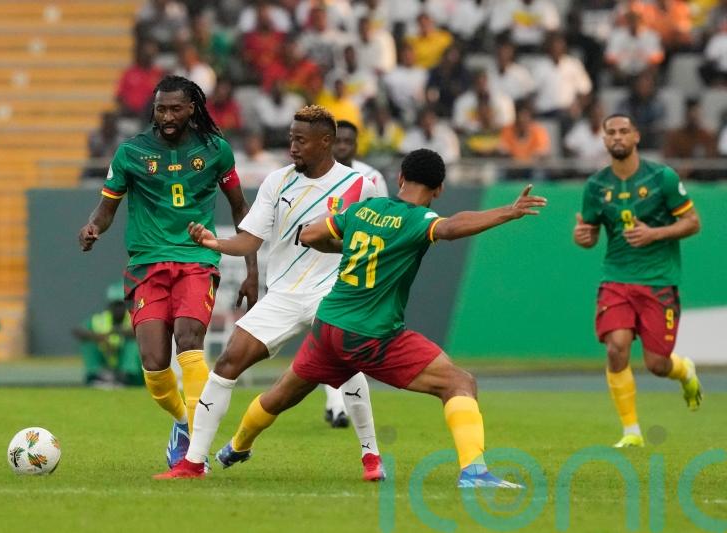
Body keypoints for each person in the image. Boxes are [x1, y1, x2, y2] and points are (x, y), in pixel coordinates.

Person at [184, 149, 545, 488]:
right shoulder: (418, 220)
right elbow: (452, 227)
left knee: (280, 395)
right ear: (439, 190)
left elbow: (309, 234)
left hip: (328, 327)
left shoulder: (364, 211)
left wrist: (349, 242)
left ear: (401, 177)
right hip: (372, 335)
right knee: (460, 383)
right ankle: (474, 472)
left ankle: (236, 446)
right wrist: (506, 212)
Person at [155, 105, 384, 481]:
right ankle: (194, 463)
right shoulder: (277, 182)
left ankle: (371, 458)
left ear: (326, 142)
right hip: (283, 295)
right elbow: (250, 240)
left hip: (332, 292)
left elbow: (374, 240)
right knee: (227, 363)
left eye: (301, 140)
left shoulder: (360, 186)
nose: (292, 147)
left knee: (344, 366)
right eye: (291, 138)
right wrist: (215, 242)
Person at [78, 75, 259, 467]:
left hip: (197, 259)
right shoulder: (131, 153)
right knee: (155, 364)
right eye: (161, 108)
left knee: (189, 340)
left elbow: (241, 209)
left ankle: (195, 453)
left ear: (192, 108)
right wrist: (93, 227)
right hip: (146, 263)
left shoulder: (216, 150)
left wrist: (251, 268)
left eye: (176, 108)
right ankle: (182, 421)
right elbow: (106, 210)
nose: (168, 116)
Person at [573, 114, 703, 449]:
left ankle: (683, 370)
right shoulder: (596, 186)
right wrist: (582, 236)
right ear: (604, 140)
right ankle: (631, 432)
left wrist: (655, 233)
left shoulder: (663, 178)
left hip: (658, 280)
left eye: (623, 131)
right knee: (617, 348)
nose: (617, 137)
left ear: (636, 137)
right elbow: (588, 236)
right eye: (611, 132)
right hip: (616, 277)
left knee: (657, 365)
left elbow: (692, 222)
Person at [73, 282, 143, 387]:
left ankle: (126, 376)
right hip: (107, 360)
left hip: (131, 369)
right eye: (115, 305)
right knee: (88, 343)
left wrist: (116, 331)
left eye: (121, 305)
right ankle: (96, 375)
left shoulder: (133, 317)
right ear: (109, 305)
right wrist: (98, 337)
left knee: (133, 343)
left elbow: (142, 332)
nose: (118, 309)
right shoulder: (100, 319)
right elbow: (77, 331)